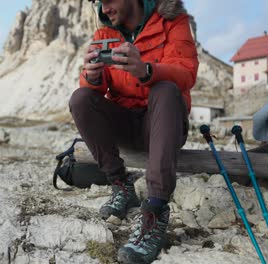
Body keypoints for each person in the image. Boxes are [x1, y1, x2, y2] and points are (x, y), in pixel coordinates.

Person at [69, 0, 198, 263]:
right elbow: (96, 90)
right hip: (126, 125)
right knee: (80, 98)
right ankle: (121, 185)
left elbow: (186, 73)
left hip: (164, 122)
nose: (103, 9)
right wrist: (92, 76)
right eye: (99, 3)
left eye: (108, 1)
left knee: (165, 88)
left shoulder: (173, 21)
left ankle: (155, 209)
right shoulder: (103, 33)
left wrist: (146, 70)